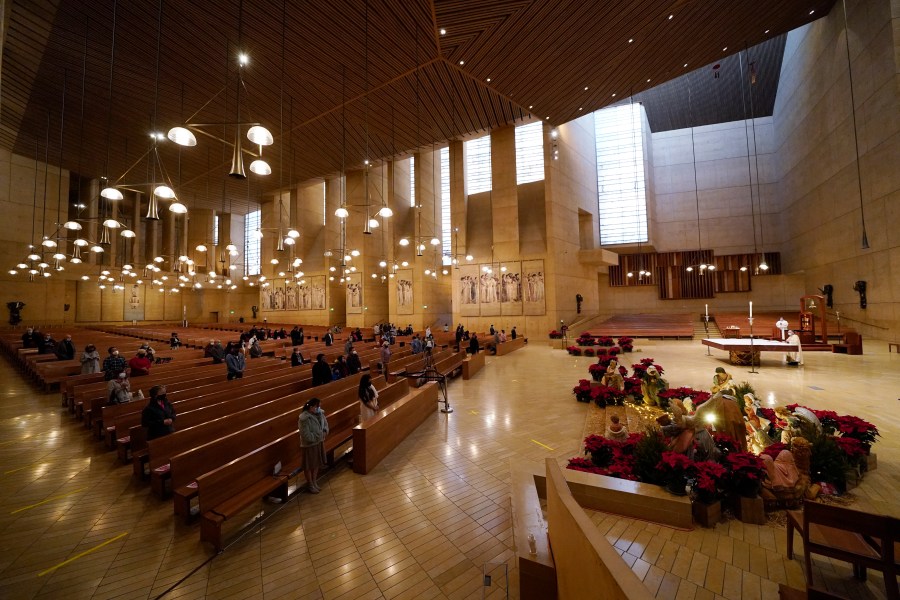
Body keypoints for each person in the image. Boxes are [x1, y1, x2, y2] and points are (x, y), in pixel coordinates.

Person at [298, 398, 329, 493]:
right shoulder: (304, 418)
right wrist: (317, 437)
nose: (319, 408)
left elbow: (325, 425)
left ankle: (314, 481)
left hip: (319, 442)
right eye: (317, 406)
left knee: (316, 464)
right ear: (311, 407)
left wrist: (324, 431)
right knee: (309, 465)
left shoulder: (320, 414)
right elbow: (305, 434)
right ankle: (310, 484)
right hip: (309, 445)